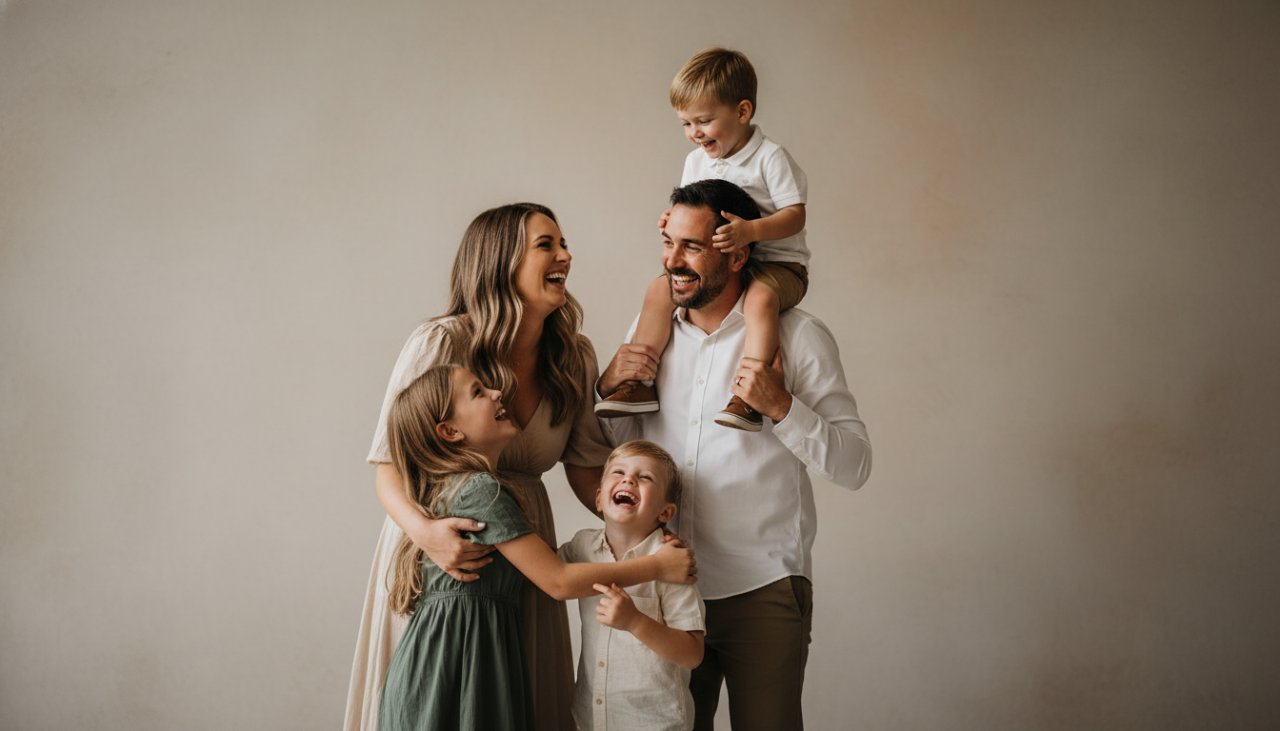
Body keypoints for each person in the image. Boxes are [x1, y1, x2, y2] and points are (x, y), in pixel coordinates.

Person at [345, 203, 639, 731]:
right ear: (500, 261)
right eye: (546, 245)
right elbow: (387, 465)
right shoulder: (442, 341)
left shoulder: (573, 357)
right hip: (441, 549)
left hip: (525, 551)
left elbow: (586, 469)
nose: (565, 256)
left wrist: (641, 523)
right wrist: (430, 533)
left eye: (563, 243)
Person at [597, 179, 872, 730]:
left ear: (738, 251)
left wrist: (782, 407)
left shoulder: (799, 338)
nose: (672, 261)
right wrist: (607, 391)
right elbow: (619, 448)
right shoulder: (648, 334)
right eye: (668, 243)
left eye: (692, 246)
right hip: (665, 586)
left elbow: (855, 464)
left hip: (762, 589)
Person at [377, 366, 696, 731]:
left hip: (453, 658)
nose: (497, 393)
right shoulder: (481, 491)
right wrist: (656, 566)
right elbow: (558, 580)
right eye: (478, 392)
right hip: (457, 664)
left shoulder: (459, 488)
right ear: (450, 431)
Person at [596, 47, 810, 433]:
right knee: (658, 290)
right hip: (721, 268)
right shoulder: (697, 161)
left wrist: (751, 230)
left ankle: (750, 392)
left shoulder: (770, 158)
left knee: (760, 298)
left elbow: (796, 215)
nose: (694, 133)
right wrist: (671, 218)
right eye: (685, 124)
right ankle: (638, 382)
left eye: (705, 121)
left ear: (742, 113)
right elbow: (691, 206)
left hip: (776, 265)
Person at [558, 440, 705, 731]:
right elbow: (548, 573)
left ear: (665, 512)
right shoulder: (581, 548)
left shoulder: (672, 565)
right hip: (591, 718)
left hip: (654, 722)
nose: (629, 479)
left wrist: (635, 621)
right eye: (618, 472)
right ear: (599, 499)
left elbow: (692, 654)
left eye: (645, 477)